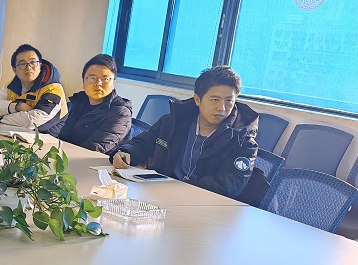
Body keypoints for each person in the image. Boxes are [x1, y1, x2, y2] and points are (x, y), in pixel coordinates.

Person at [112, 65, 259, 199]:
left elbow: (228, 185)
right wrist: (127, 152)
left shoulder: (243, 141)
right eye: (215, 100)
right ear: (197, 100)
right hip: (160, 196)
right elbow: (145, 142)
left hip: (204, 206)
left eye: (229, 101)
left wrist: (179, 189)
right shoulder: (173, 122)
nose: (222, 108)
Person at [58, 54, 132, 155]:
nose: (98, 83)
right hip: (72, 157)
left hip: (97, 162)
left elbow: (94, 148)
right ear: (83, 81)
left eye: (105, 79)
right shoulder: (79, 101)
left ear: (113, 83)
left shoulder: (120, 113)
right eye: (92, 78)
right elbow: (63, 137)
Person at [0, 43, 68, 136]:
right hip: (15, 134)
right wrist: (17, 106)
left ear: (40, 66)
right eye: (22, 64)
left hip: (48, 140)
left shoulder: (54, 89)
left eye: (33, 62)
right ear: (14, 69)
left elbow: (31, 122)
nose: (28, 67)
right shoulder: (11, 85)